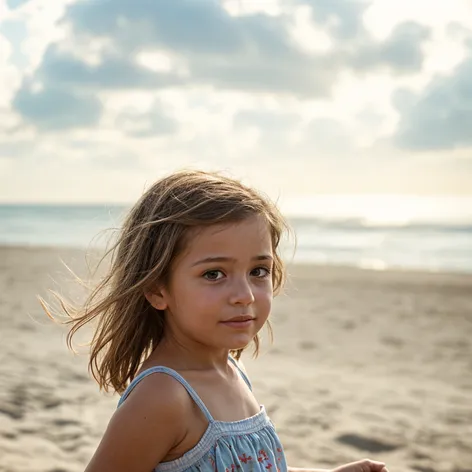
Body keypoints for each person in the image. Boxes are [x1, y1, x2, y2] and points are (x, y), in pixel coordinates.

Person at [43, 170, 390, 472]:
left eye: (258, 271)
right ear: (156, 289)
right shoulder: (164, 397)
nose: (245, 295)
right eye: (214, 274)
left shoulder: (232, 371)